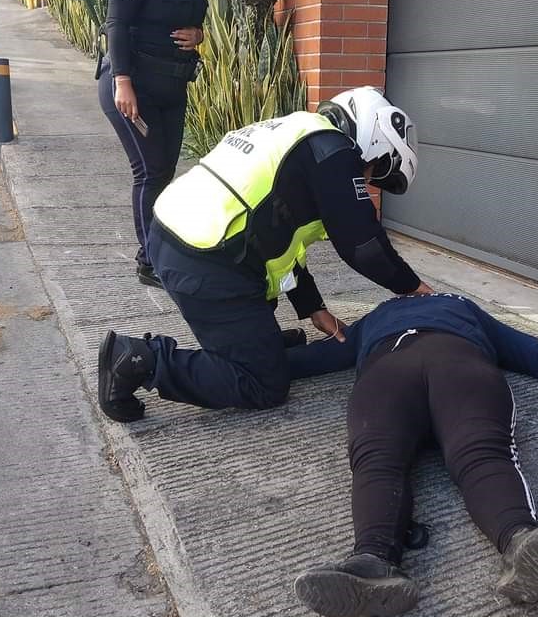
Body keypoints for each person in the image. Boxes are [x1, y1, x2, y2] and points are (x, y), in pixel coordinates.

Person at [284, 292, 538, 617]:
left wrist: (245, 367)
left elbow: (313, 358)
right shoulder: (462, 306)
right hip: (458, 363)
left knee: (377, 460)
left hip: (388, 370)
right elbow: (534, 353)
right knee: (481, 455)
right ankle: (520, 540)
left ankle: (371, 561)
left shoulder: (378, 315)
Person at [97, 85, 433, 422]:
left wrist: (312, 307)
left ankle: (259, 342)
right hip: (207, 261)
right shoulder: (336, 153)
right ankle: (141, 360)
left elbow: (280, 244)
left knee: (263, 331)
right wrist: (414, 289)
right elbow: (364, 246)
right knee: (263, 384)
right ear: (374, 137)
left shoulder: (296, 135)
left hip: (177, 239)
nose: (367, 180)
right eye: (374, 169)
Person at [97, 0, 214, 288]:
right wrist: (122, 82)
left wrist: (198, 34)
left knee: (165, 171)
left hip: (172, 87)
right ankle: (150, 261)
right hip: (133, 87)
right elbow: (116, 24)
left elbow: (194, 18)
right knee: (150, 172)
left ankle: (159, 252)